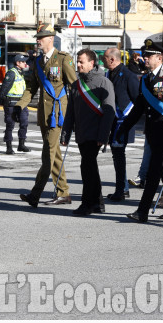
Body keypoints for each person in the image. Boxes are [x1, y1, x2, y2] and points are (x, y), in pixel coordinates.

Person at [115, 39, 163, 223]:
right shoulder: (146, 79)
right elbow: (140, 106)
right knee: (160, 170)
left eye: (148, 56)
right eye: (145, 55)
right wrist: (125, 126)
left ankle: (143, 211)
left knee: (158, 169)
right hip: (153, 131)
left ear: (159, 57)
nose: (145, 58)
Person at [16, 23, 78, 208]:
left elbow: (74, 87)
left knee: (48, 155)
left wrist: (75, 114)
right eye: (37, 38)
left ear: (51, 39)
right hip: (44, 115)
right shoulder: (37, 62)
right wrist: (20, 105)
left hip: (58, 115)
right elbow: (31, 87)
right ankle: (63, 192)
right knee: (55, 154)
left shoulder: (63, 59)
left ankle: (35, 194)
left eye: (41, 38)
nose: (38, 42)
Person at [61, 49, 115, 215]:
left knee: (87, 167)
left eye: (81, 62)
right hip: (82, 133)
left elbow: (109, 111)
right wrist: (66, 133)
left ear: (92, 63)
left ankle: (88, 204)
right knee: (90, 168)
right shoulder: (76, 84)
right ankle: (98, 203)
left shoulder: (104, 82)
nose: (78, 65)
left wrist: (103, 135)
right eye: (77, 62)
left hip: (96, 134)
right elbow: (70, 112)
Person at [102, 47, 139, 201]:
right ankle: (121, 188)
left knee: (119, 156)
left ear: (112, 59)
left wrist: (129, 121)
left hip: (123, 122)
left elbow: (137, 99)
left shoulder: (128, 75)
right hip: (112, 122)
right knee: (117, 156)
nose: (102, 60)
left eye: (104, 57)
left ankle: (122, 190)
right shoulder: (108, 74)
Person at [0, 54, 30, 154]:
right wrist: (2, 101)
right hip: (11, 103)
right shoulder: (12, 73)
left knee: (24, 122)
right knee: (10, 124)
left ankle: (21, 144)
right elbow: (4, 88)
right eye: (23, 62)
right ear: (18, 63)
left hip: (21, 102)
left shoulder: (21, 73)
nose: (25, 63)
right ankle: (9, 147)